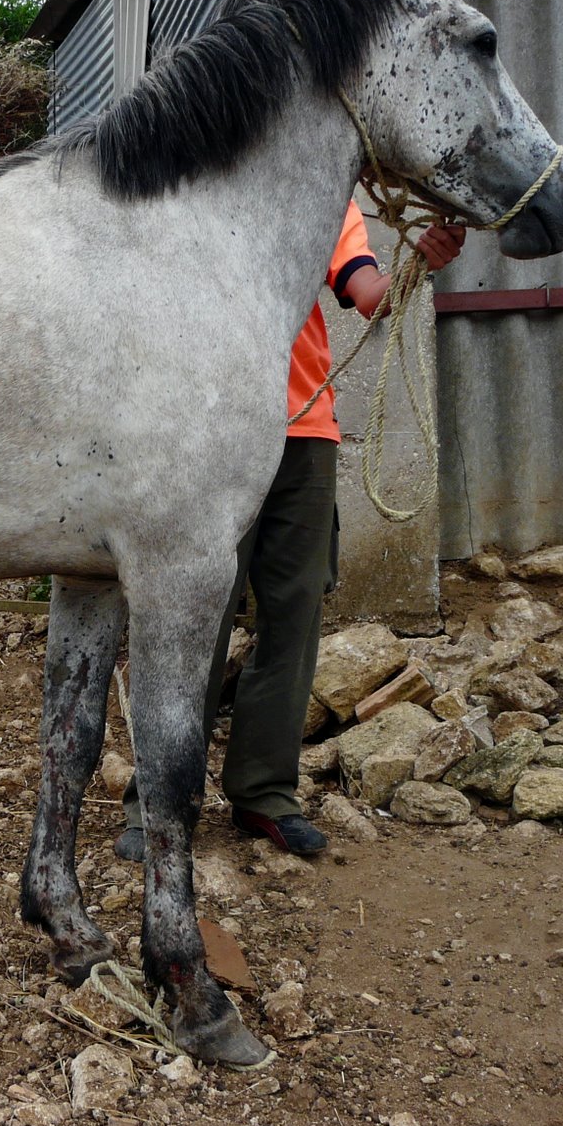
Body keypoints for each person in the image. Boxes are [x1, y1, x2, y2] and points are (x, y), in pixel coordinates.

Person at [115, 202, 466, 860]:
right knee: (194, 620)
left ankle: (264, 793)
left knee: (294, 615)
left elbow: (369, 295)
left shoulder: (327, 200)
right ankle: (158, 804)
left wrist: (420, 260)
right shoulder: (194, 185)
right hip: (210, 432)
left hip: (304, 434)